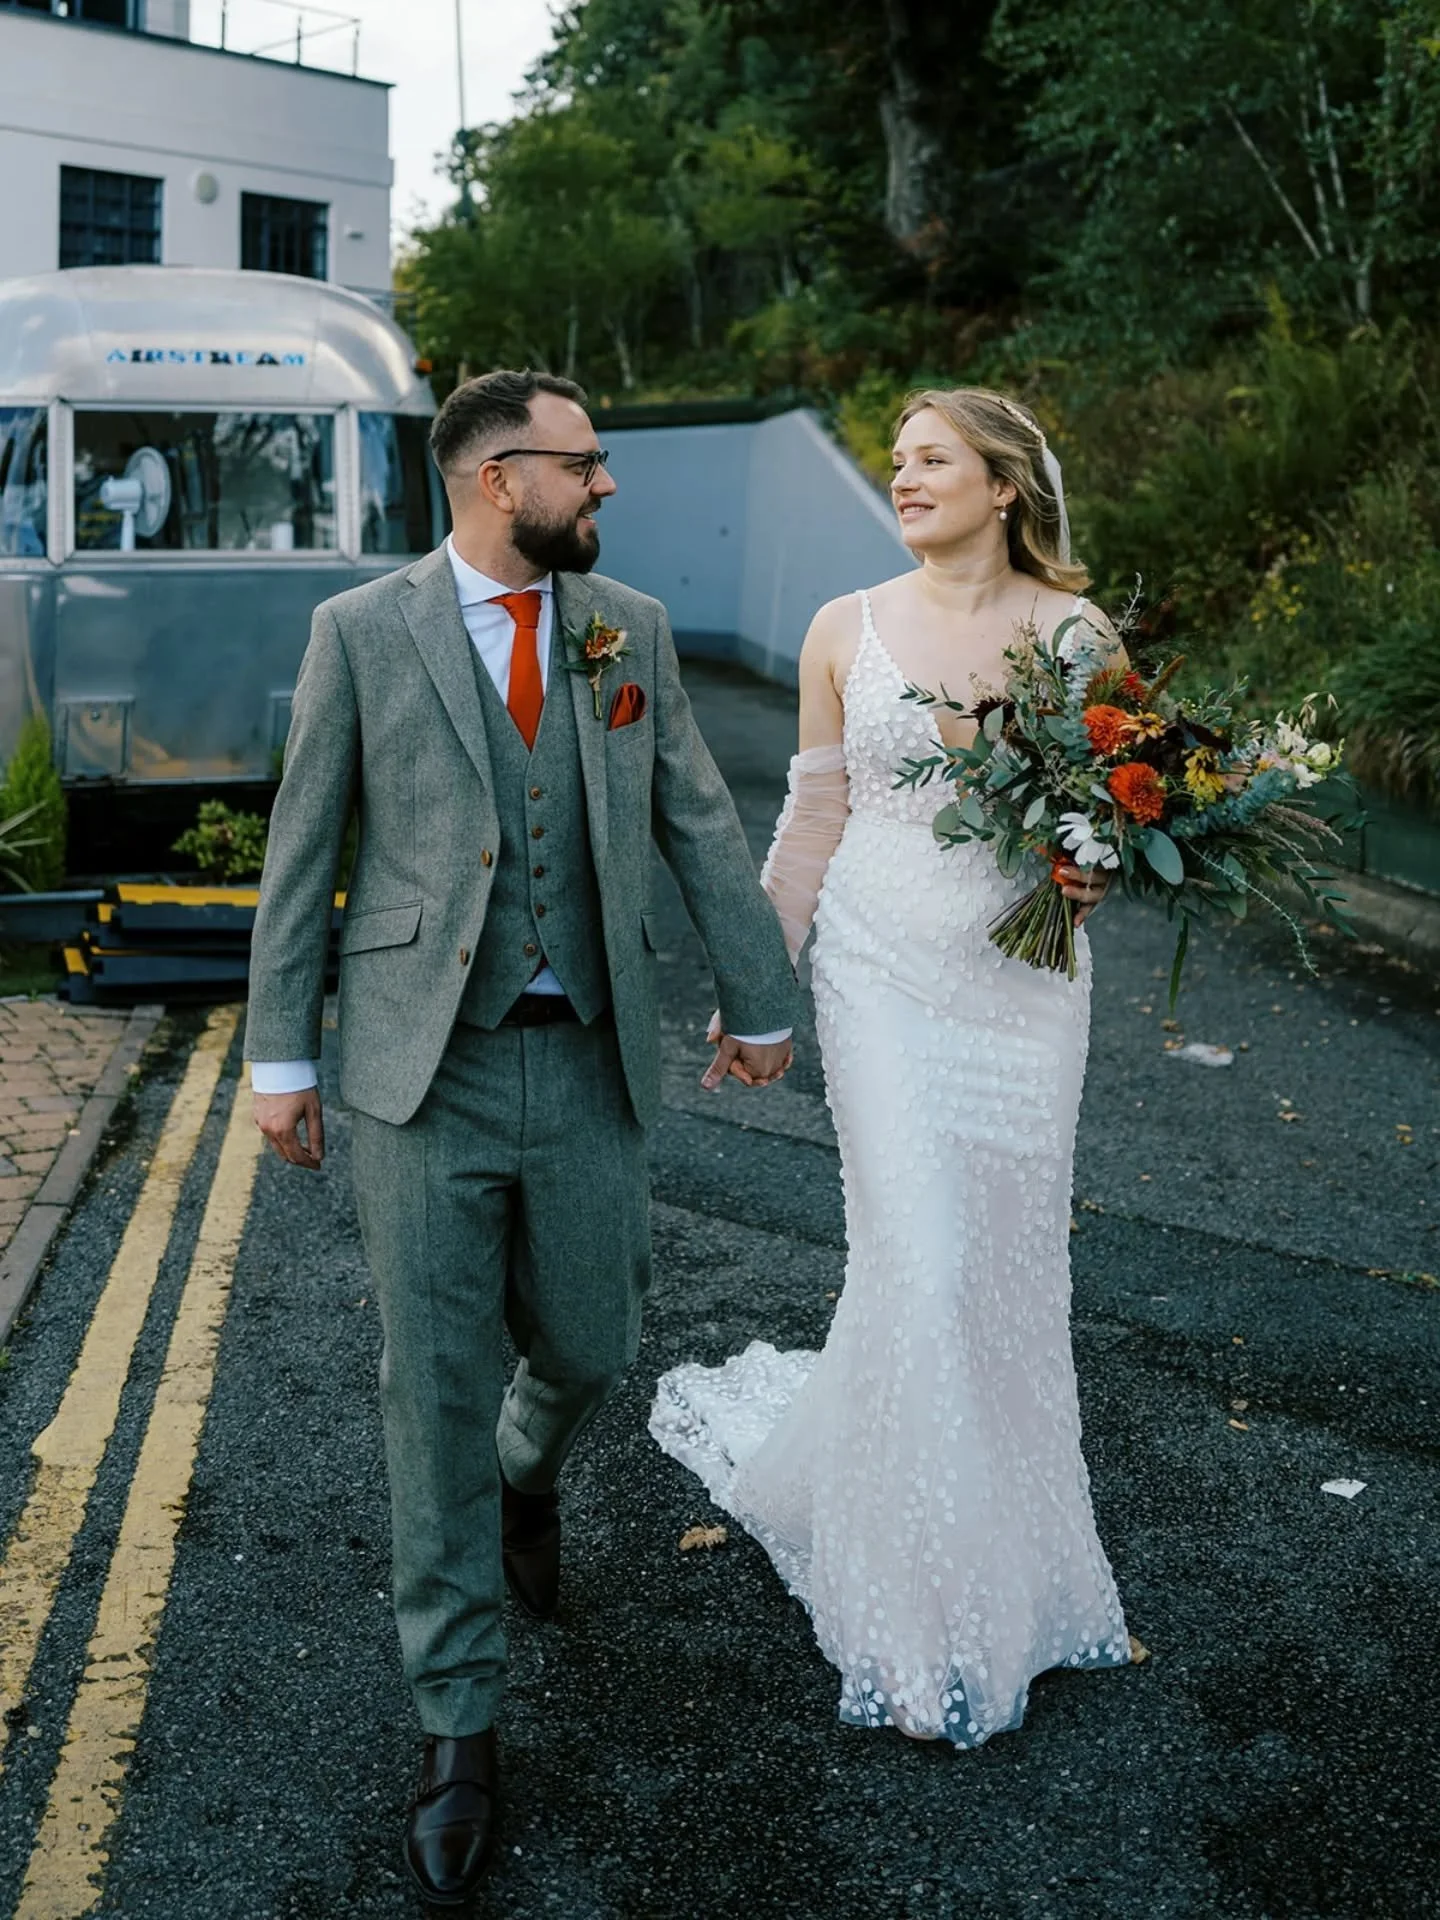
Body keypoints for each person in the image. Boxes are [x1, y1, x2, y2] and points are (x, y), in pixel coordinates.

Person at [244, 369, 799, 1906]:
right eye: (584, 462)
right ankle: (459, 1728)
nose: (606, 484)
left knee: (595, 1338)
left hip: (591, 1060)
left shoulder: (630, 628)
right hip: (425, 1069)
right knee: (431, 1386)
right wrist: (281, 1055)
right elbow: (305, 844)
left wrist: (762, 999)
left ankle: (527, 1474)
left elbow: (695, 813)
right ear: (499, 478)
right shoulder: (362, 631)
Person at [651, 386, 1133, 1746]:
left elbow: (1110, 813)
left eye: (933, 459)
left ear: (1005, 485)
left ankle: (1009, 1559)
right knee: (916, 1258)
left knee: (999, 1267)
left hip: (1023, 981)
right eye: (899, 461)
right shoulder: (841, 628)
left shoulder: (1080, 637)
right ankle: (913, 1619)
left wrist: (1094, 869)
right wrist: (758, 988)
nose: (905, 478)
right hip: (878, 970)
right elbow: (812, 817)